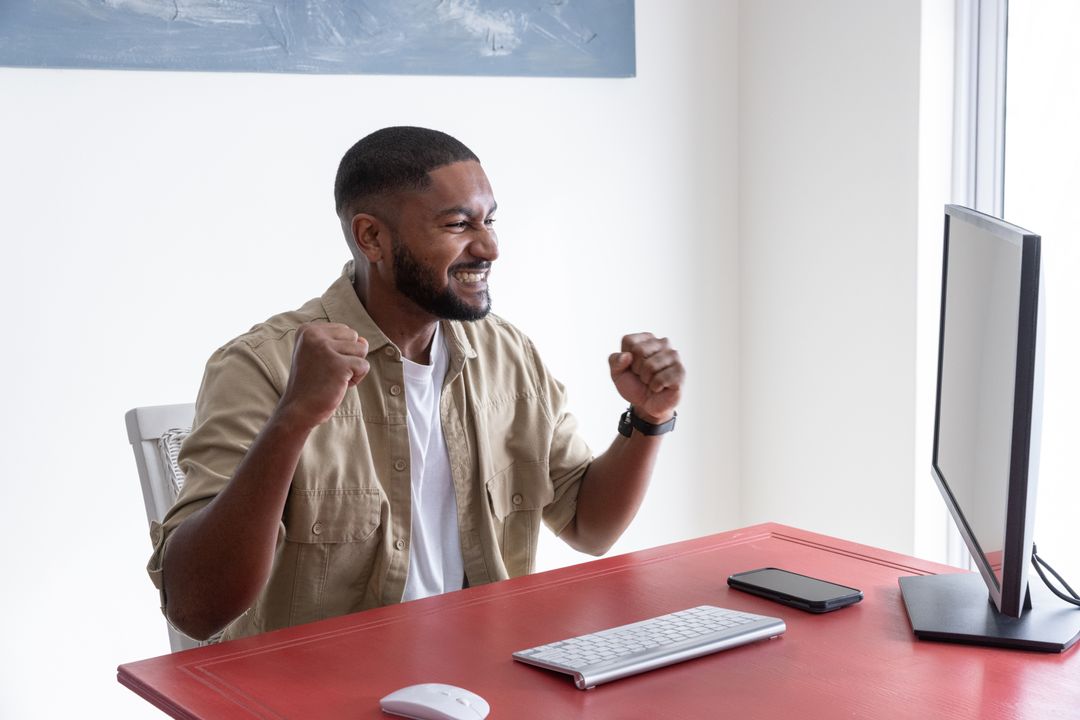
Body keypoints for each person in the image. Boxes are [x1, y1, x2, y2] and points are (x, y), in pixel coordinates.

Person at [147, 126, 685, 642]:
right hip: (322, 692)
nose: (490, 247)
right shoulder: (261, 366)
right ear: (372, 237)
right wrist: (294, 418)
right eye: (457, 225)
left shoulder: (508, 354)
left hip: (488, 673)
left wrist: (649, 418)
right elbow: (197, 609)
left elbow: (590, 527)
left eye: (489, 221)